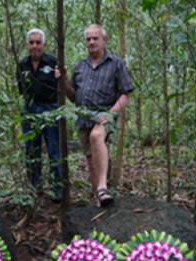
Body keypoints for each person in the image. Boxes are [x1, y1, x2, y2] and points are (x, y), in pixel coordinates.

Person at [57, 24, 133, 207]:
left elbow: (125, 94)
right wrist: (64, 80)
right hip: (84, 118)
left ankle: (102, 187)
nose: (91, 42)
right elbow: (73, 97)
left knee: (97, 136)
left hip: (105, 115)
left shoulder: (115, 64)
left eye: (95, 38)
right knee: (91, 160)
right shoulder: (80, 66)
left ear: (104, 40)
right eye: (88, 39)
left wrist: (111, 113)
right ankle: (99, 198)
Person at [17, 28, 62, 202]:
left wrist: (60, 77)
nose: (35, 46)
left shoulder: (52, 62)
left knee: (53, 149)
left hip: (50, 109)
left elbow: (60, 86)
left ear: (44, 44)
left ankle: (57, 188)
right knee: (31, 150)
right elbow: (21, 89)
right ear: (27, 45)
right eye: (31, 42)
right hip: (29, 110)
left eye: (38, 42)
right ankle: (35, 187)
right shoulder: (22, 64)